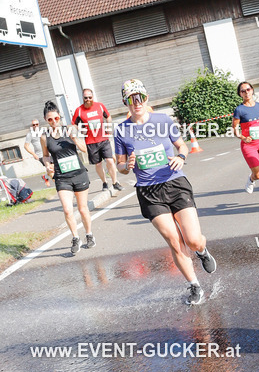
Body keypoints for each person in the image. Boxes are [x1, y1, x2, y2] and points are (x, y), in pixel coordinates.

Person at [114, 79, 217, 306]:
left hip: (175, 183)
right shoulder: (121, 130)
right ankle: (194, 285)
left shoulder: (163, 120)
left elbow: (182, 145)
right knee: (174, 240)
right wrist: (127, 166)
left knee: (193, 240)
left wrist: (181, 157)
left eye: (139, 97)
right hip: (148, 192)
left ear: (146, 97)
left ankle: (202, 251)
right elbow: (119, 166)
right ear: (125, 102)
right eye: (131, 99)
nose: (136, 102)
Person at [40, 100, 95, 256]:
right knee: (67, 210)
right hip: (62, 177)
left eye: (56, 118)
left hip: (79, 174)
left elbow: (85, 150)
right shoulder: (44, 137)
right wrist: (47, 164)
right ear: (46, 120)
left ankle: (89, 234)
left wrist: (75, 139)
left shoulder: (70, 130)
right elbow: (45, 156)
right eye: (50, 119)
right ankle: (75, 237)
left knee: (83, 209)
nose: (53, 122)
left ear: (60, 117)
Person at [71, 88, 123, 193]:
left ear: (92, 97)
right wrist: (81, 130)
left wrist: (108, 127)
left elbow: (108, 117)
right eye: (86, 98)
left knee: (109, 160)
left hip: (103, 139)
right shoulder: (79, 110)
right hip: (91, 142)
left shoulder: (99, 106)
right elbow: (73, 124)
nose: (88, 99)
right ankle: (104, 182)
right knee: (98, 164)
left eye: (90, 97)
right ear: (83, 98)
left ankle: (115, 182)